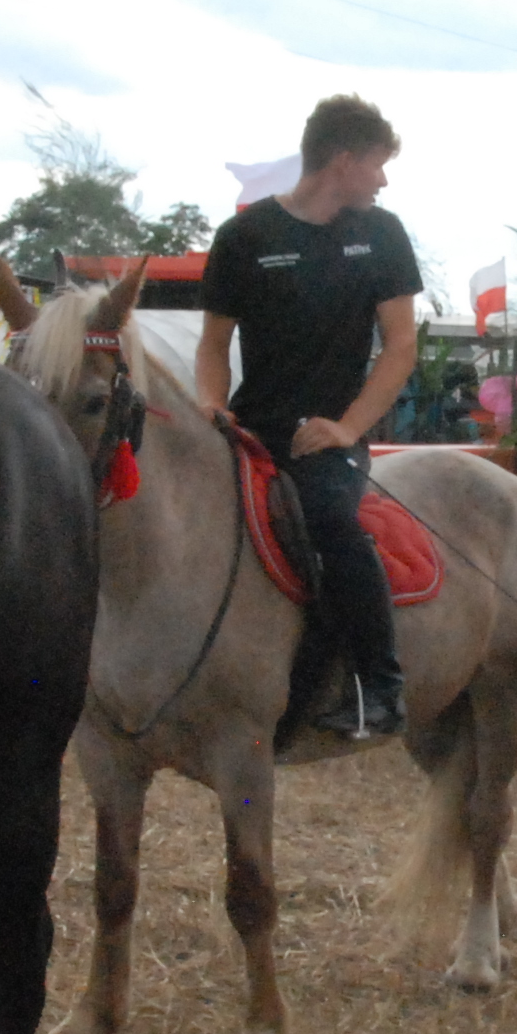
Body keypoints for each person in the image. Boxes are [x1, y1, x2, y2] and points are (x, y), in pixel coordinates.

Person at [197, 93, 422, 739]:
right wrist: (211, 405)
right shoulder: (243, 237)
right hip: (248, 428)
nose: (383, 179)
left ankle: (380, 687)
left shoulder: (381, 234)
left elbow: (401, 347)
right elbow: (215, 345)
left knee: (329, 519)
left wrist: (349, 429)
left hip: (328, 436)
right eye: (377, 164)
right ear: (343, 161)